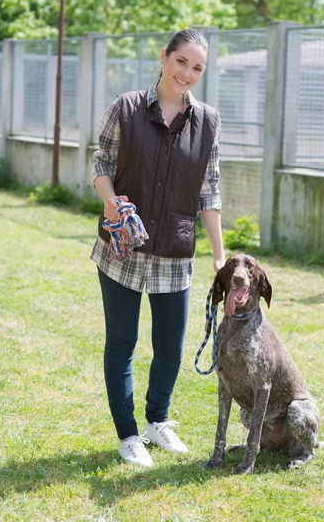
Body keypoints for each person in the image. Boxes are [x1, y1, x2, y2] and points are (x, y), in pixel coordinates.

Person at [91, 28, 225, 467]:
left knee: (170, 346)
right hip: (122, 248)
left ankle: (157, 421)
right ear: (165, 56)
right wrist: (111, 201)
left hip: (175, 249)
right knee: (122, 342)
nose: (187, 72)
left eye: (197, 67)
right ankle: (128, 435)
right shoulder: (127, 107)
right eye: (182, 61)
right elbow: (102, 164)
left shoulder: (208, 122)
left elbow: (209, 190)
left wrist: (220, 255)